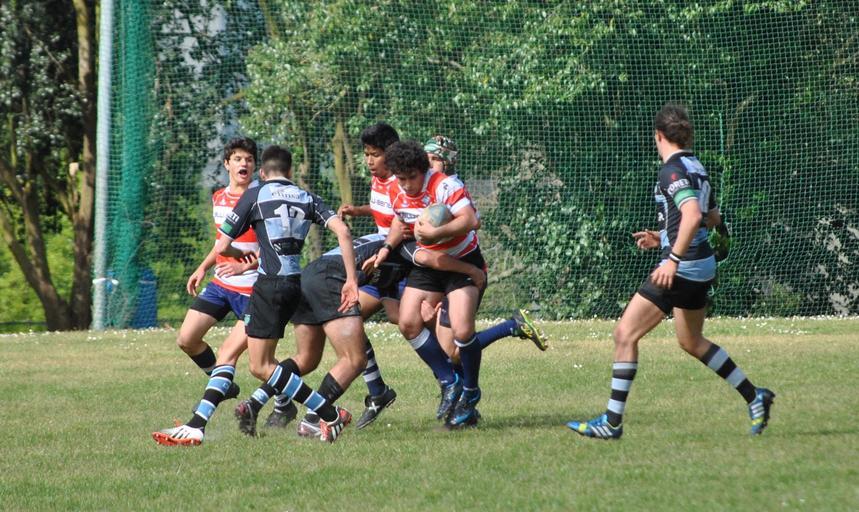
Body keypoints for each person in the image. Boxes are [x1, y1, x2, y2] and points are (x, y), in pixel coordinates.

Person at [566, 103, 774, 440]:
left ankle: (612, 422)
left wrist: (672, 258)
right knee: (691, 341)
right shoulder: (696, 166)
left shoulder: (671, 171)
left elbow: (692, 215)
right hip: (702, 264)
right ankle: (755, 396)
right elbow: (712, 218)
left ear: (658, 135)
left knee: (625, 334)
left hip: (683, 266)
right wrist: (662, 236)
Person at [153, 145, 358, 445]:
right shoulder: (307, 197)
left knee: (261, 366)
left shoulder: (255, 194)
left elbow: (223, 245)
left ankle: (329, 413)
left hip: (266, 286)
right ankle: (198, 425)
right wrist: (351, 280)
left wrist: (231, 259)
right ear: (289, 171)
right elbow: (344, 233)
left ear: (262, 172)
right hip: (293, 285)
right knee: (246, 359)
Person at [374, 140, 487, 428]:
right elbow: (399, 222)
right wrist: (386, 247)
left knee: (462, 331)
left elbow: (471, 220)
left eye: (412, 177)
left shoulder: (444, 185)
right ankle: (450, 382)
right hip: (429, 265)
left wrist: (437, 233)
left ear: (423, 170)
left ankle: (471, 391)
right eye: (401, 178)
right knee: (407, 322)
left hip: (461, 261)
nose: (407, 185)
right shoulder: (395, 189)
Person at [423, 135, 548, 358]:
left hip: (460, 270)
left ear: (448, 162)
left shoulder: (452, 188)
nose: (429, 164)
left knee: (453, 350)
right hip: (440, 269)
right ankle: (512, 326)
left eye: (434, 159)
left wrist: (434, 233)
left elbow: (471, 223)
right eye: (426, 159)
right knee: (445, 348)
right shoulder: (427, 186)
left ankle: (511, 326)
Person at [173, 138, 260, 401]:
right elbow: (221, 243)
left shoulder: (261, 198)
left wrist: (244, 265)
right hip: (221, 286)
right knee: (187, 339)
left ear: (255, 165)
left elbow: (274, 247)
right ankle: (223, 385)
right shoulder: (219, 198)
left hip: (253, 290)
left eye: (249, 159)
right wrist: (202, 268)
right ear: (226, 164)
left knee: (260, 363)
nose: (244, 163)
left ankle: (284, 401)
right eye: (238, 159)